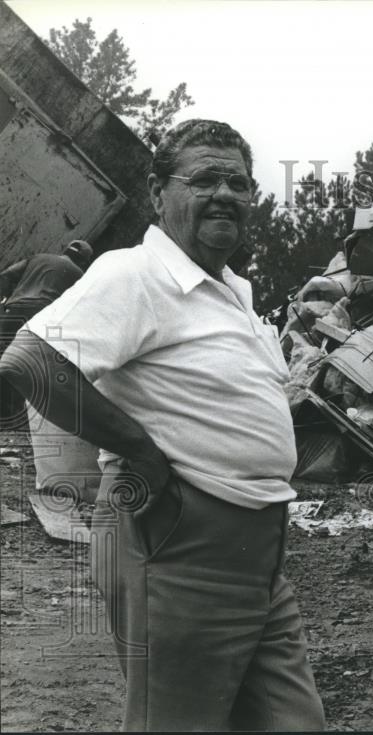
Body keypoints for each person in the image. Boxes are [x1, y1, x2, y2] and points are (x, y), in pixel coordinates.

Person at [0, 119, 326, 731]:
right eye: (204, 179)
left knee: (294, 723)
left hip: (258, 558)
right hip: (176, 547)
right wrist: (140, 452)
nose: (224, 193)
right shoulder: (137, 274)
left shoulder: (228, 290)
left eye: (238, 181)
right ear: (158, 193)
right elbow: (30, 360)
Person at [0, 240, 93, 428]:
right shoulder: (79, 275)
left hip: (13, 311)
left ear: (65, 249)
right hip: (40, 318)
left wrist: (10, 296)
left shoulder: (39, 258)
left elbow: (6, 275)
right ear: (83, 261)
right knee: (25, 365)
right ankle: (10, 416)